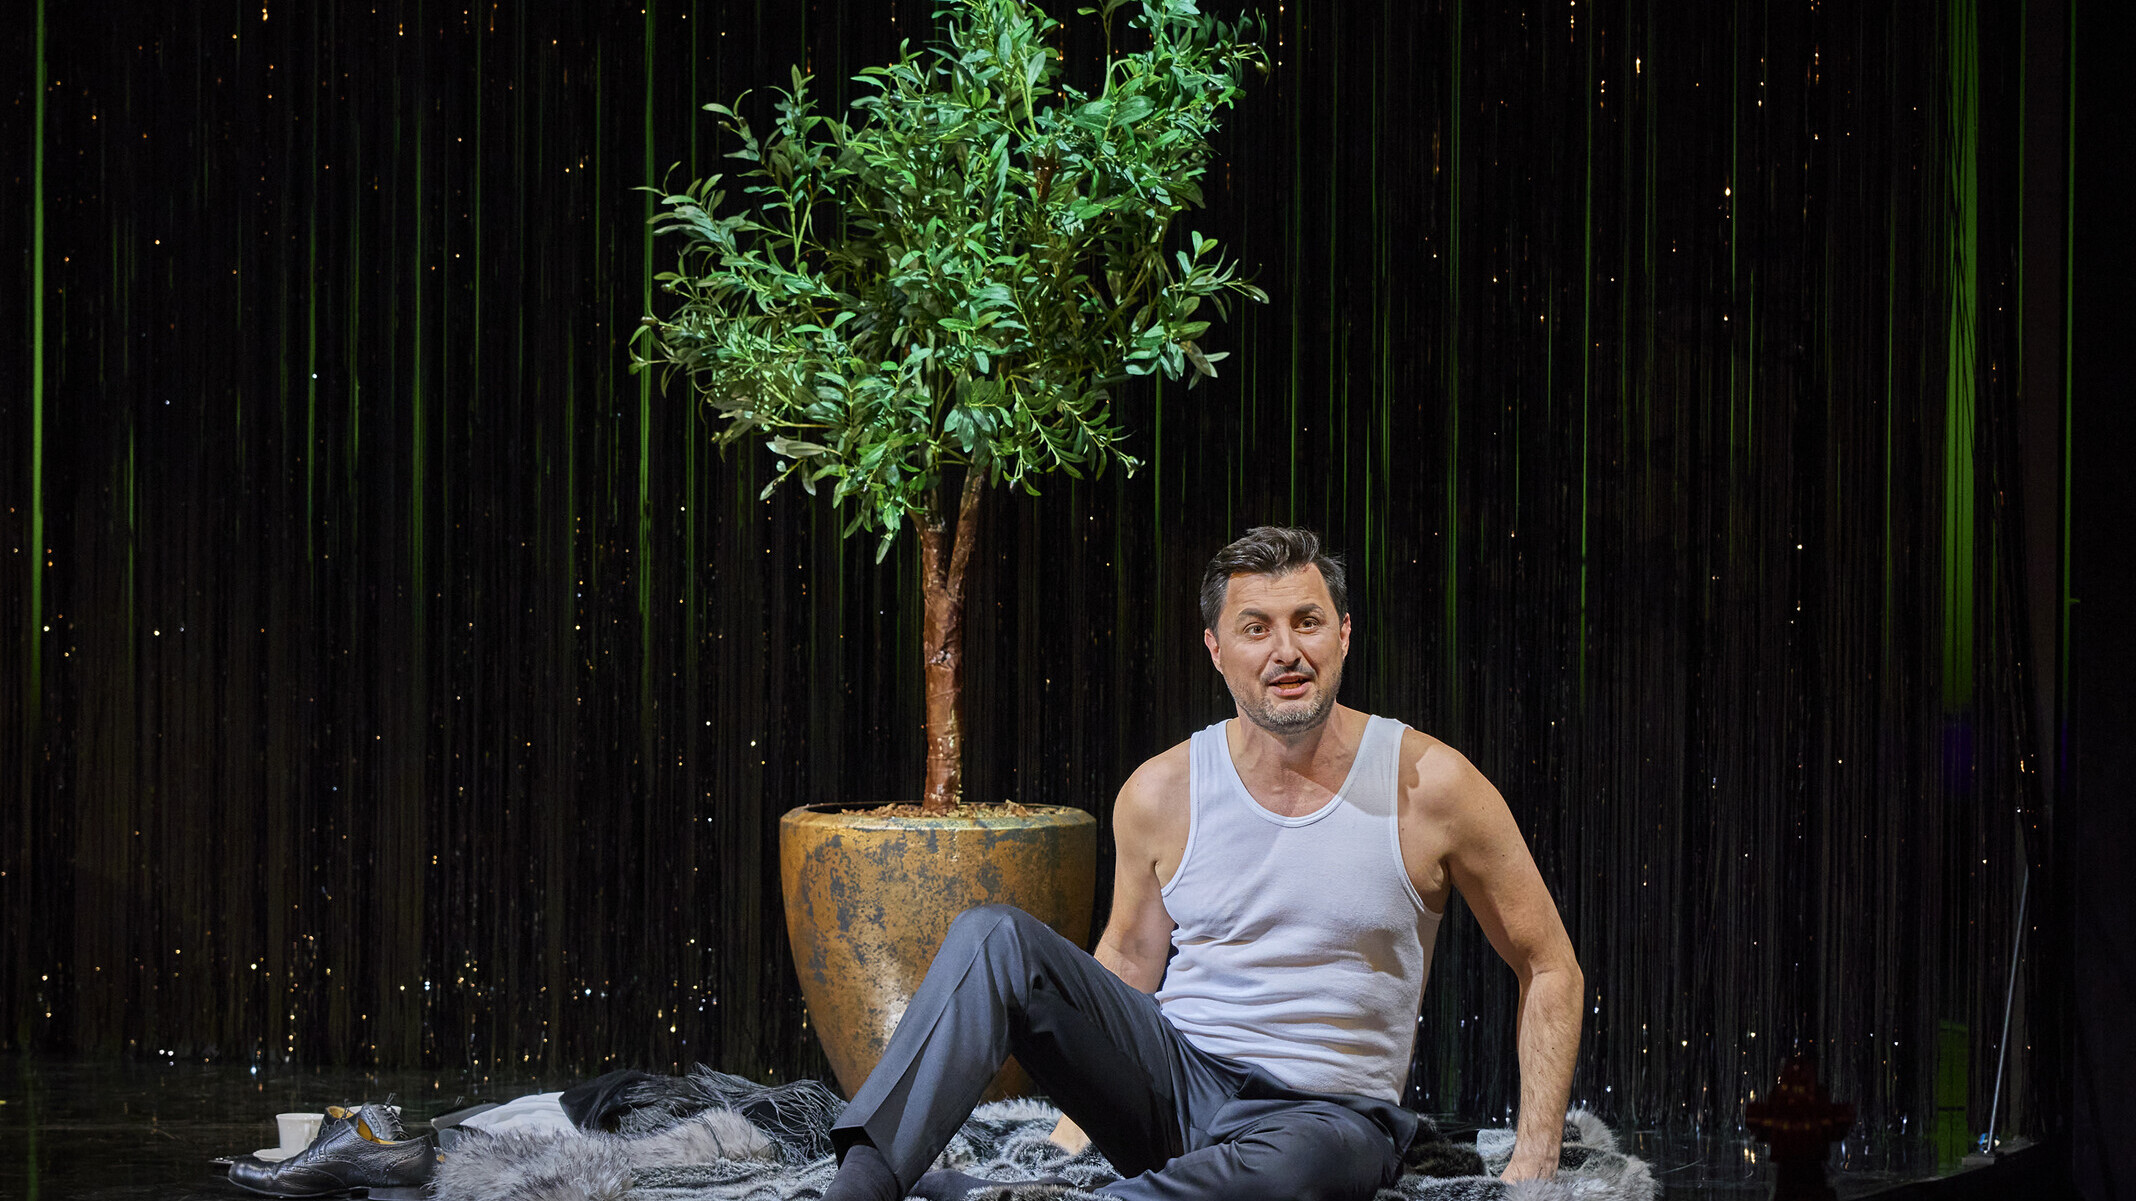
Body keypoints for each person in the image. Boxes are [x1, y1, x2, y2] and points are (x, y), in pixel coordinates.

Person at [824, 526, 1584, 1201]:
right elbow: (1128, 955)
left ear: (1344, 634)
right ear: (1217, 649)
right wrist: (1067, 1138)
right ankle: (860, 1189)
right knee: (994, 938)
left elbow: (1549, 964)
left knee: (1311, 1165)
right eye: (1256, 628)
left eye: (1307, 622)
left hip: (1325, 1120)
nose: (1286, 650)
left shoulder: (1432, 785)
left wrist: (1534, 1162)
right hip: (1177, 1085)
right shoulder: (1162, 790)